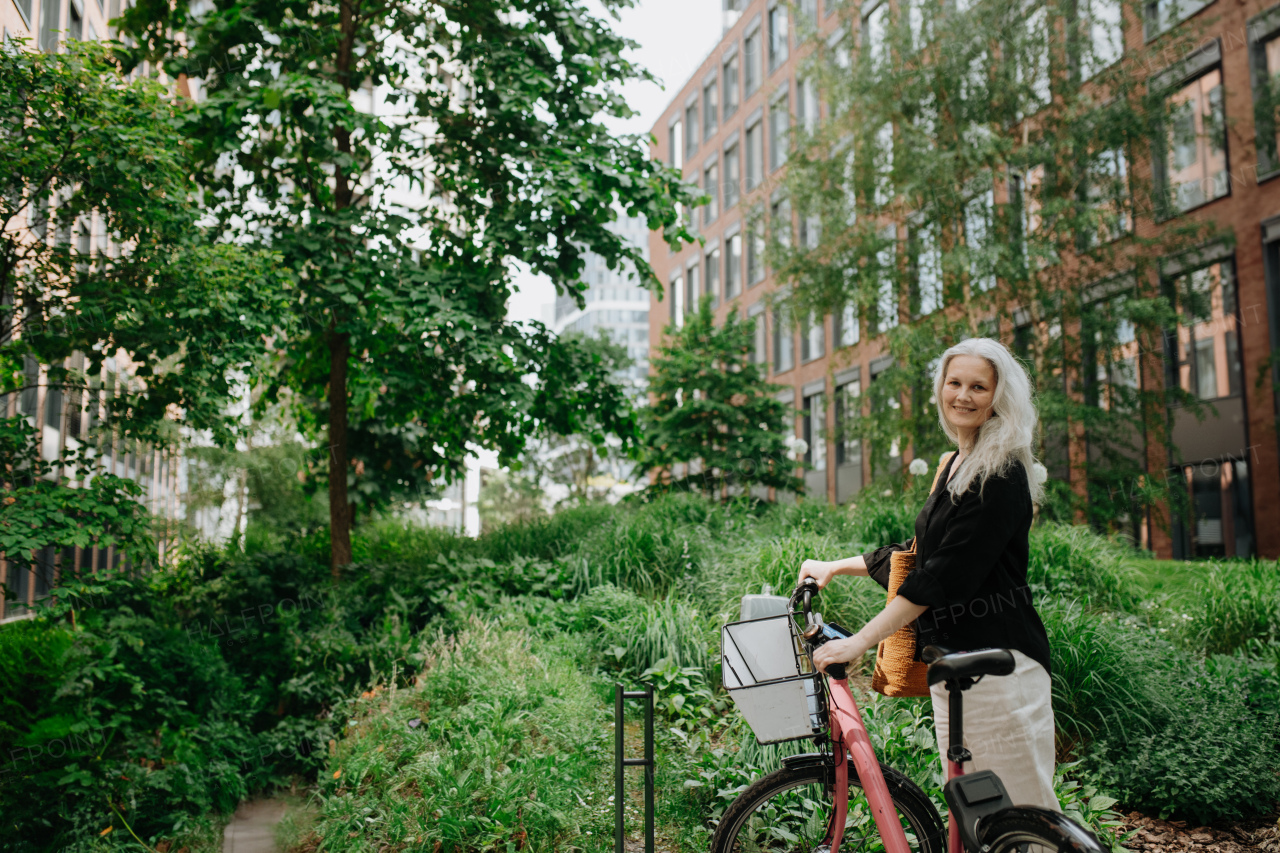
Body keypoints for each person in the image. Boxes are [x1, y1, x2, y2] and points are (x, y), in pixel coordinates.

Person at [797, 337, 1059, 811]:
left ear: (1000, 397)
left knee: (1024, 818)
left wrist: (860, 642)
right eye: (954, 382)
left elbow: (945, 575)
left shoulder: (999, 472)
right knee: (977, 815)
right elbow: (919, 554)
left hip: (1000, 666)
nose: (963, 395)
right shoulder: (956, 463)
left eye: (979, 386)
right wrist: (835, 566)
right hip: (956, 667)